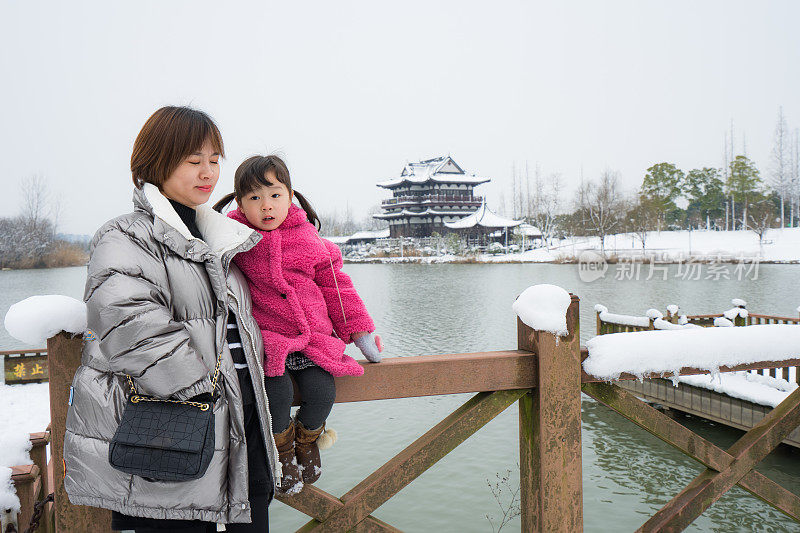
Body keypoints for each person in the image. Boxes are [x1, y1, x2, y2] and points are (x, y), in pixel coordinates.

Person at [63, 106, 279, 532]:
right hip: (170, 431)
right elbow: (125, 320)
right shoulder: (126, 235)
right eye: (193, 160)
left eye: (215, 160)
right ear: (157, 161)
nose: (208, 172)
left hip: (242, 428)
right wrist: (202, 390)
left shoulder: (222, 239)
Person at [214, 155, 382, 495]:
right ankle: (282, 452)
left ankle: (307, 440)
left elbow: (338, 289)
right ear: (241, 205)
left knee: (322, 392)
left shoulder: (310, 240)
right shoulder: (235, 240)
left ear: (290, 195)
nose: (266, 206)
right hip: (269, 341)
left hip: (313, 339)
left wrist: (360, 332)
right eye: (254, 197)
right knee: (276, 397)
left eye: (275, 195)